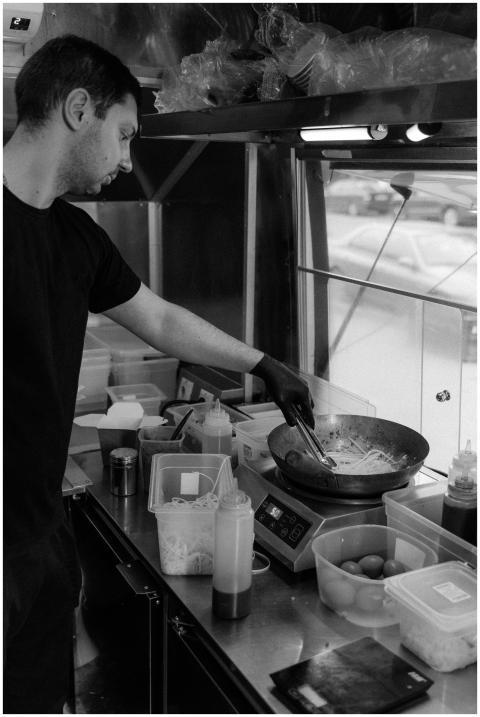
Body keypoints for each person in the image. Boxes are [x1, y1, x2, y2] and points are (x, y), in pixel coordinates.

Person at [3, 34, 314, 713]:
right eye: (124, 134)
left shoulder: (74, 237)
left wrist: (264, 363)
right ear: (78, 108)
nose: (126, 158)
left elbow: (162, 320)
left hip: (40, 538)